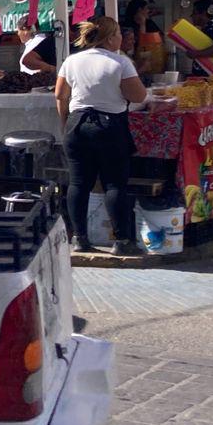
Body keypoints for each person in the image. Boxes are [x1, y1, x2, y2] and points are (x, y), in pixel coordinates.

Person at [55, 17, 148, 255]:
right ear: (110, 38)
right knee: (114, 183)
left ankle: (79, 238)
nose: (121, 38)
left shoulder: (72, 60)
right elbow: (138, 96)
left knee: (78, 183)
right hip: (109, 125)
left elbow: (60, 95)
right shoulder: (120, 62)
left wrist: (66, 123)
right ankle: (121, 240)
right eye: (118, 33)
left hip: (77, 125)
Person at [121, 0, 165, 76]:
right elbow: (140, 42)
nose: (148, 11)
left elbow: (161, 39)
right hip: (132, 59)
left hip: (151, 60)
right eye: (146, 8)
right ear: (139, 10)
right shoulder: (126, 25)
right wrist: (142, 24)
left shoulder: (150, 24)